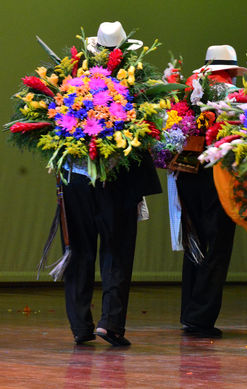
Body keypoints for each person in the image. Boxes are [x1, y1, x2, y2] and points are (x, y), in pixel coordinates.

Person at [62, 21, 162, 346]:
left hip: (77, 179)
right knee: (117, 251)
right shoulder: (134, 86)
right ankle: (111, 323)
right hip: (117, 180)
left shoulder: (75, 85)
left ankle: (80, 325)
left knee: (80, 251)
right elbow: (145, 129)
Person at [175, 45, 247, 337]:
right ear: (229, 71)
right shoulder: (234, 96)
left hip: (189, 171)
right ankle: (201, 316)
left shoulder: (189, 90)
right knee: (217, 245)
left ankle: (189, 311)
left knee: (195, 240)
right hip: (219, 174)